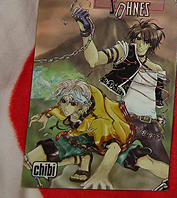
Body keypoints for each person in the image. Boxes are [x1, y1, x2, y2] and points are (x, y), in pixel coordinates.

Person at [72, 8, 171, 172]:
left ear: (151, 44)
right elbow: (94, 60)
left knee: (167, 168)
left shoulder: (157, 69)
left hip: (149, 125)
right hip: (125, 122)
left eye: (145, 41)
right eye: (138, 39)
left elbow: (156, 100)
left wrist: (158, 119)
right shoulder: (125, 52)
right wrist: (86, 34)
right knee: (102, 151)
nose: (140, 45)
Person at [24, 78, 168, 190]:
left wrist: (101, 174)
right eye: (63, 101)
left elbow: (114, 148)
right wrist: (46, 116)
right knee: (37, 155)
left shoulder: (99, 122)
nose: (66, 107)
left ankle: (172, 180)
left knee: (141, 161)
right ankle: (82, 159)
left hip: (111, 141)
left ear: (81, 105)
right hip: (85, 140)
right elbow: (58, 109)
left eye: (72, 103)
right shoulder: (69, 111)